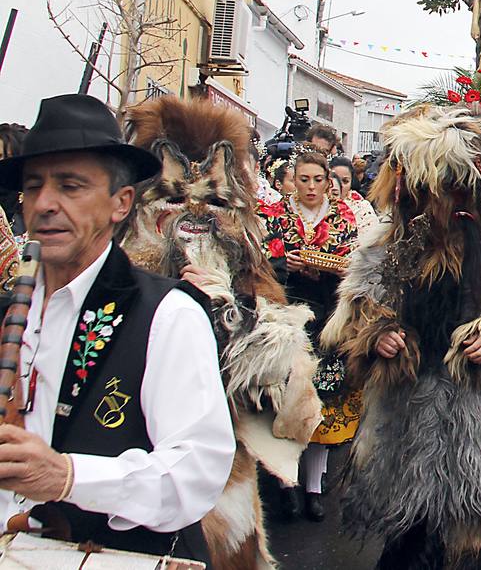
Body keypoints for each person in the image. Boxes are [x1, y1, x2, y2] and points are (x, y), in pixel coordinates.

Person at [0, 94, 234, 562]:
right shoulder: (9, 311)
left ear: (121, 203)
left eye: (70, 186)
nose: (44, 204)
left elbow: (195, 472)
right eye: (33, 186)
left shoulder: (167, 315)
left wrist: (68, 477)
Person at [322, 103, 481, 568]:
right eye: (429, 189)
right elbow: (356, 310)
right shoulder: (387, 244)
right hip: (407, 405)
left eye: (449, 187)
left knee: (476, 532)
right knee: (410, 531)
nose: (438, 202)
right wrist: (379, 335)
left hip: (478, 404)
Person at [122, 96, 320, 569]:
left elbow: (280, 364)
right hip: (128, 451)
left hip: (220, 455)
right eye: (174, 198)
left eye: (212, 201)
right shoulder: (121, 269)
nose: (195, 212)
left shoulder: (242, 270)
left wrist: (232, 311)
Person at [259, 151, 360, 521]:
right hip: (286, 316)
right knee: (285, 399)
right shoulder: (273, 215)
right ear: (293, 179)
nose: (312, 187)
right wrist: (287, 264)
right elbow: (262, 263)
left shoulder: (344, 217)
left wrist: (330, 268)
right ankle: (286, 482)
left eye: (319, 180)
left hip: (328, 317)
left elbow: (353, 264)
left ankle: (315, 486)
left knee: (325, 400)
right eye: (304, 180)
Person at [330, 155, 379, 239]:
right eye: (334, 179)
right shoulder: (315, 203)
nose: (338, 185)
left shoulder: (362, 208)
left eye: (345, 181)